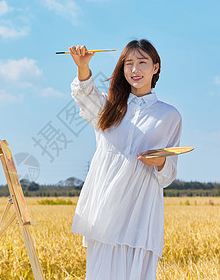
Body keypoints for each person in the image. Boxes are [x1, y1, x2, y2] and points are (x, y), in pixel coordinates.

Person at [69, 39, 182, 280]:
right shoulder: (108, 107)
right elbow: (85, 94)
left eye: (142, 62)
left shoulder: (170, 115)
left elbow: (169, 172)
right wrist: (82, 67)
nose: (134, 69)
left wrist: (160, 163)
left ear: (156, 68)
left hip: (140, 214)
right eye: (128, 63)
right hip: (105, 212)